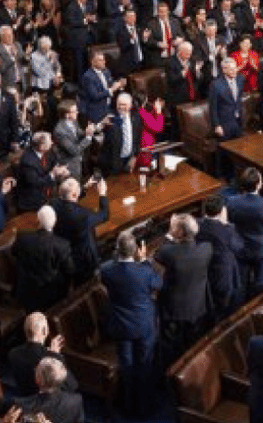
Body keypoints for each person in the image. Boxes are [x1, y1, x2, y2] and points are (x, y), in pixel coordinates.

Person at [98, 231, 161, 419]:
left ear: (117, 250)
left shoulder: (107, 271)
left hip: (121, 327)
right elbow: (159, 284)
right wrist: (145, 261)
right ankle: (145, 408)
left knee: (127, 367)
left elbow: (108, 269)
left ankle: (128, 406)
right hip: (144, 326)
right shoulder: (145, 271)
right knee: (145, 365)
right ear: (136, 250)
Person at [154, 213, 213, 361]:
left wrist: (169, 235)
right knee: (192, 343)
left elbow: (158, 254)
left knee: (171, 346)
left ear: (180, 232)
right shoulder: (206, 249)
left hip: (174, 309)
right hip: (197, 306)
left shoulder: (169, 252)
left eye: (174, 227)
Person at [11, 206, 74, 314]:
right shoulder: (61, 245)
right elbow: (70, 271)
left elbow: (14, 253)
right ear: (55, 222)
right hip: (51, 295)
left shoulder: (22, 237)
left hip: (26, 291)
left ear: (38, 220)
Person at [52, 175, 108, 283]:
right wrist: (102, 193)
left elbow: (69, 197)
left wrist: (85, 187)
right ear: (74, 194)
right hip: (82, 259)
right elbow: (104, 215)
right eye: (78, 189)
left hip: (62, 250)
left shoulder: (53, 204)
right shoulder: (82, 215)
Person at [7, 312, 78, 397]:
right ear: (45, 331)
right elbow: (72, 385)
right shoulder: (48, 359)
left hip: (26, 398)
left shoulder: (13, 353)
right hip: (48, 403)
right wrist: (55, 356)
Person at [197, 195, 244, 320]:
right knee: (223, 302)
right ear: (221, 211)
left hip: (204, 267)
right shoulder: (227, 230)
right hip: (223, 271)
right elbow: (238, 246)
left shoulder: (196, 225)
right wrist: (227, 223)